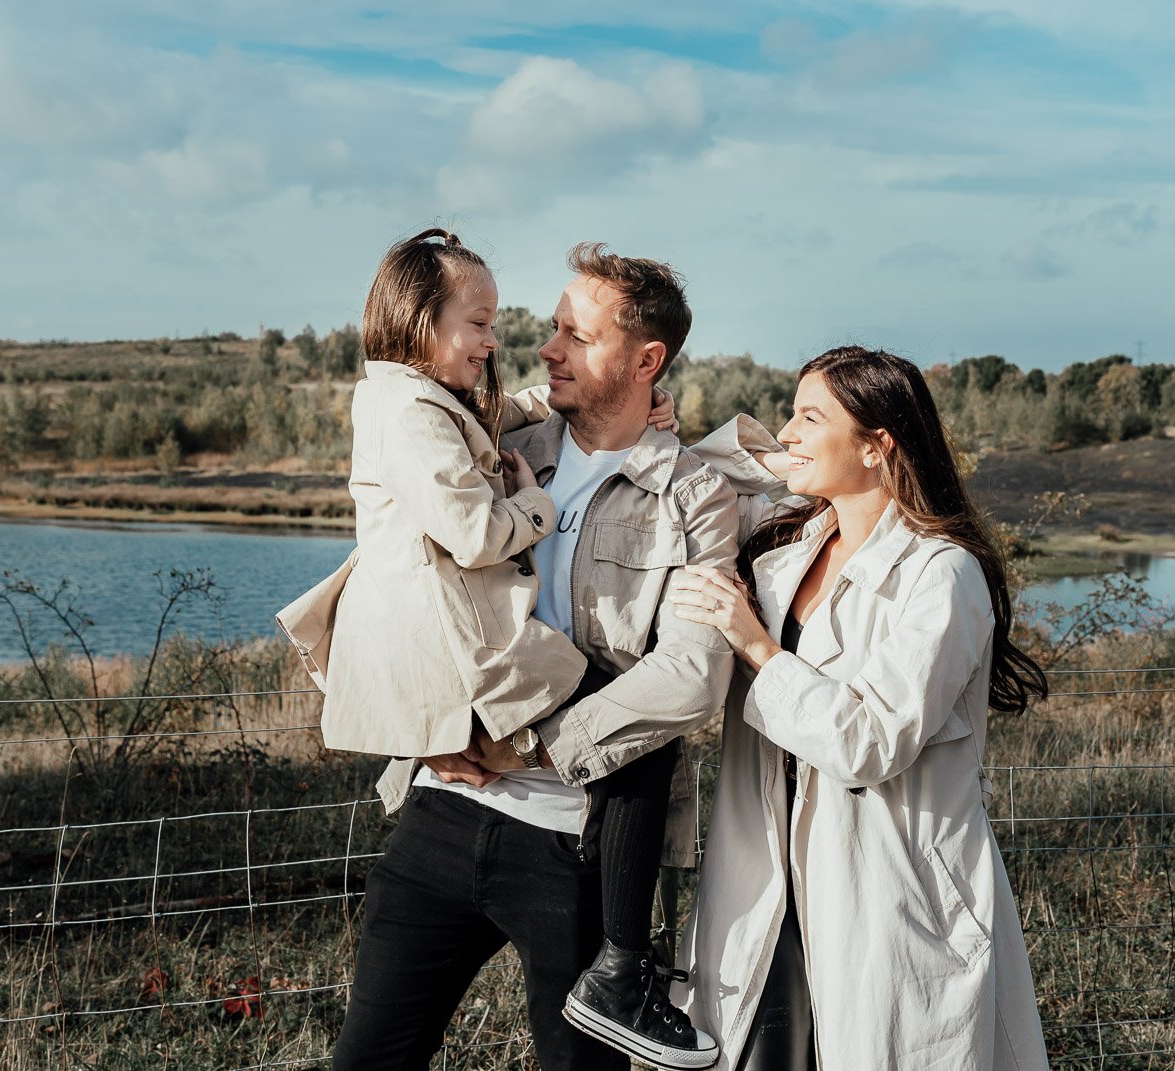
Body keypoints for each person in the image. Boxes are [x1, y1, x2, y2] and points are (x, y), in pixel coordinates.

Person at [295, 238, 737, 1071]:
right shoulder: (502, 449)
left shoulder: (691, 494)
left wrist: (535, 742)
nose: (547, 346)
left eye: (578, 335)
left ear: (646, 360)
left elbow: (694, 675)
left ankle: (625, 977)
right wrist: (425, 723)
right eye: (553, 327)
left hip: (572, 843)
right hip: (442, 803)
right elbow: (403, 588)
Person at [672, 346, 1052, 1070]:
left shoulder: (943, 574)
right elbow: (704, 469)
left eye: (809, 417)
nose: (787, 432)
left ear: (878, 447)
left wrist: (759, 649)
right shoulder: (793, 537)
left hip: (885, 893)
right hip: (767, 886)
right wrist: (676, 424)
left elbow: (872, 741)